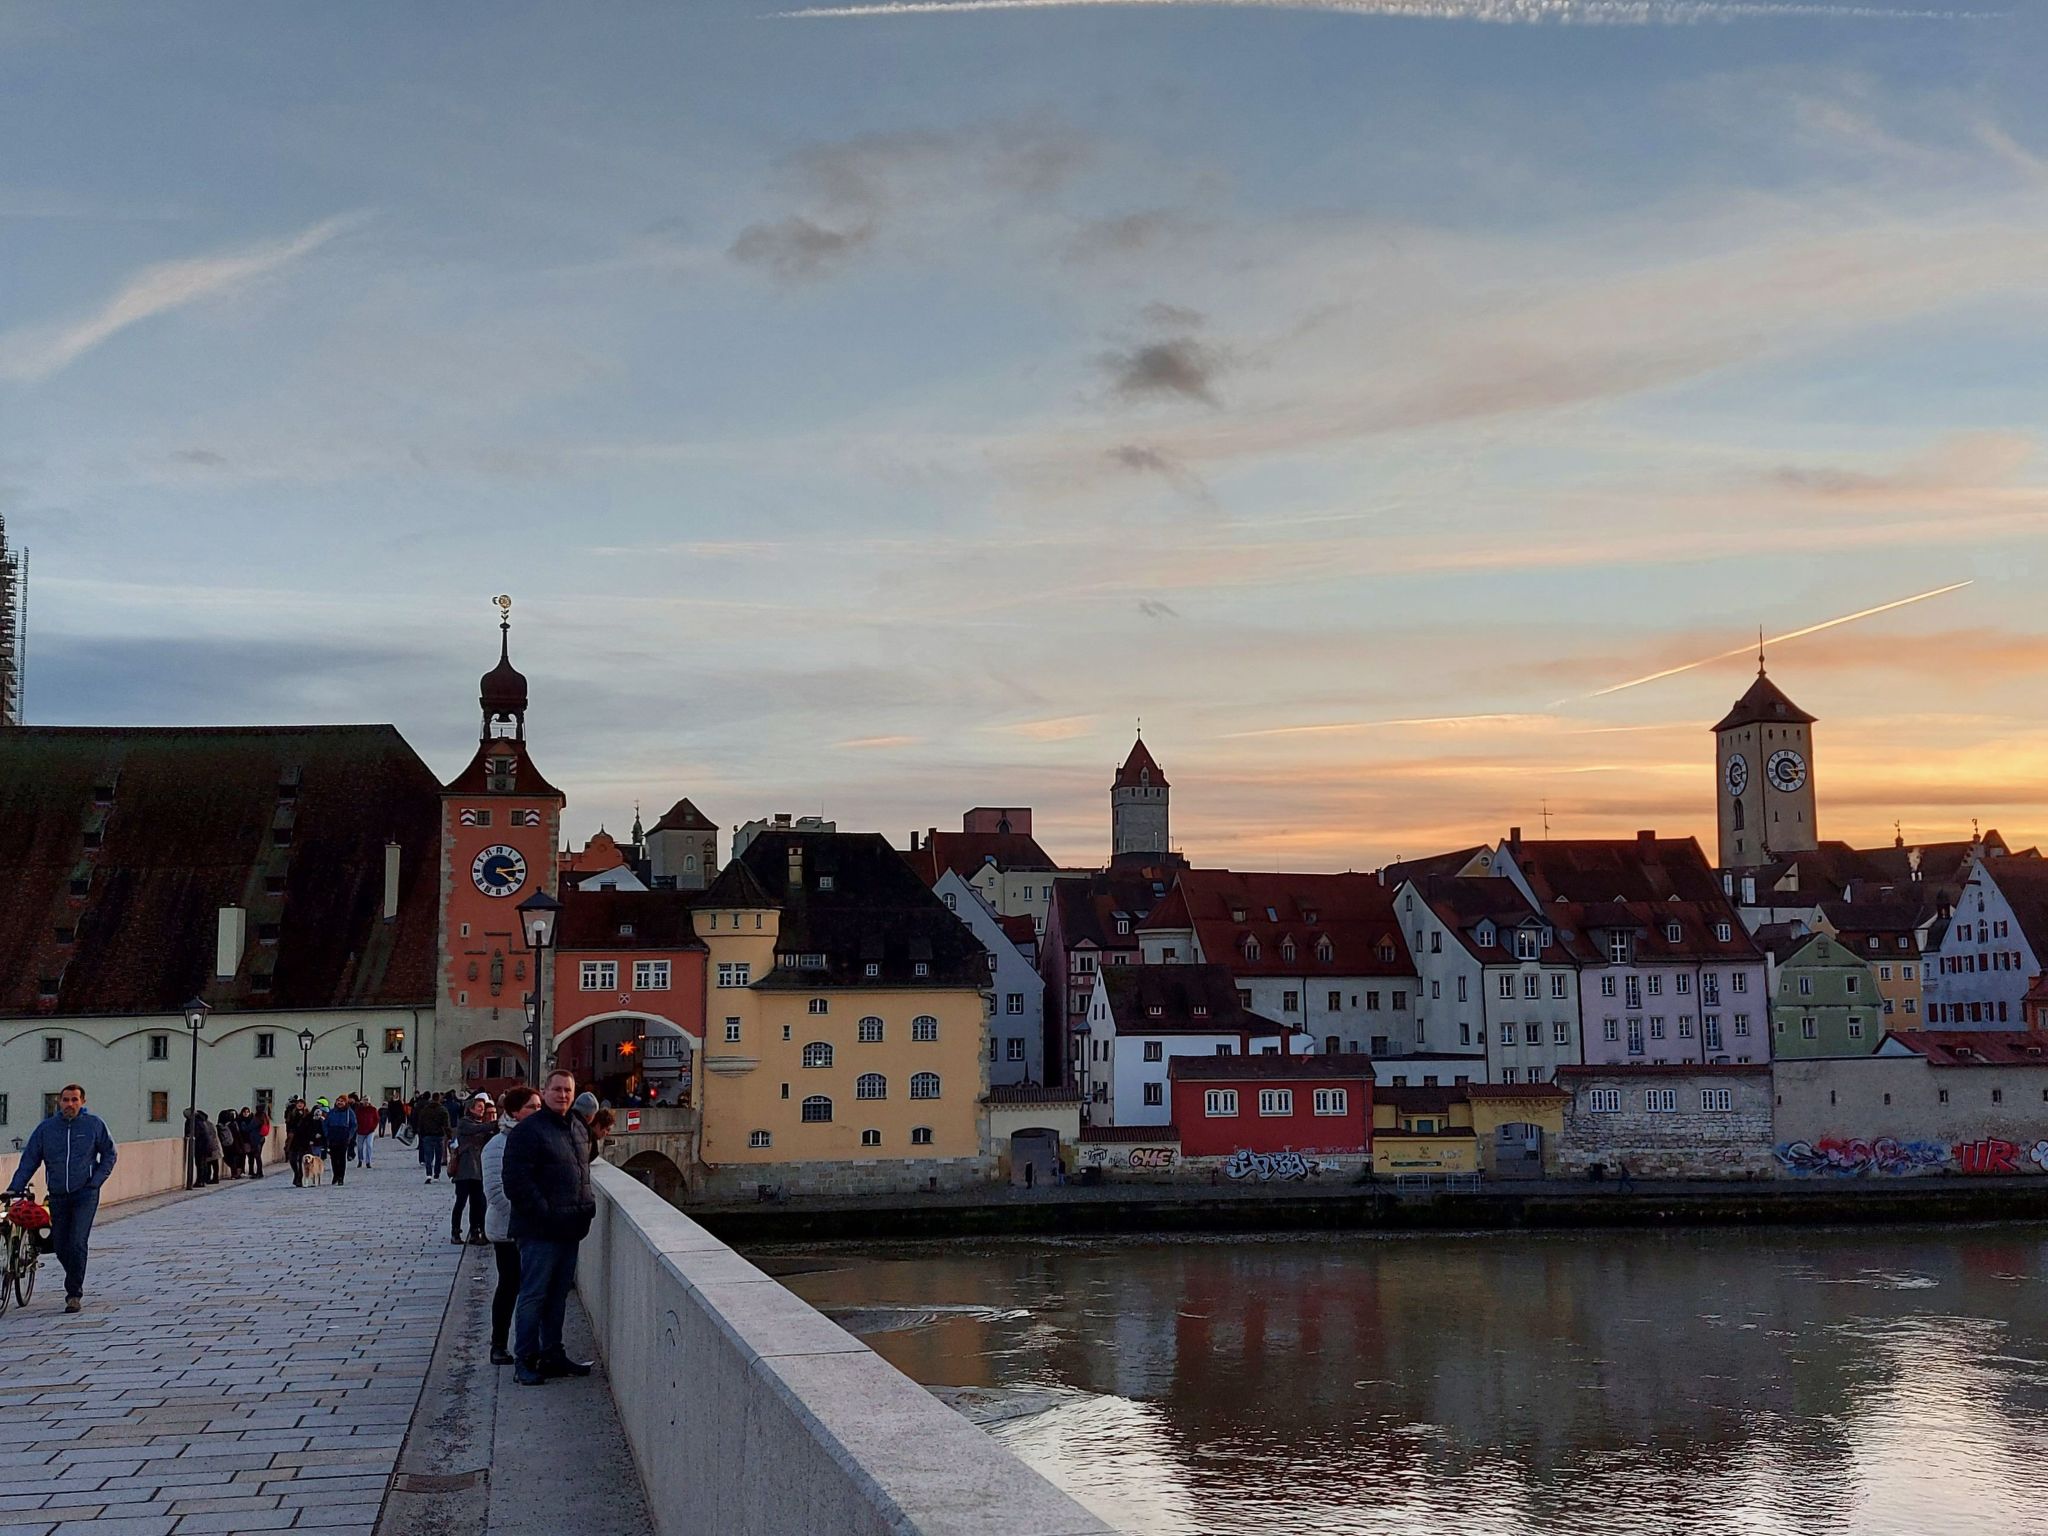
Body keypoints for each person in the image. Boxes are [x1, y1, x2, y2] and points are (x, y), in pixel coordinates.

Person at [501, 1069, 597, 1387]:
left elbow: (581, 1167)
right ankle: (525, 1360)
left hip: (570, 1227)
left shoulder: (578, 1126)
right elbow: (516, 1182)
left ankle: (552, 1354)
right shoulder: (528, 1131)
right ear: (544, 1092)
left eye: (568, 1090)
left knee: (557, 1297)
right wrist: (545, 1213)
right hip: (539, 1230)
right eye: (556, 1090)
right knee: (533, 1296)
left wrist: (586, 1207)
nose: (563, 1095)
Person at [5, 1084, 118, 1313]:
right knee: (60, 1244)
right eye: (66, 1100)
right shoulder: (47, 1129)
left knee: (77, 1241)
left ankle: (73, 1293)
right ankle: (74, 1274)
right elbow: (30, 1160)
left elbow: (110, 1153)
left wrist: (95, 1181)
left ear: (82, 1102)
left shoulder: (93, 1125)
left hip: (85, 1193)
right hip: (57, 1194)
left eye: (74, 1100)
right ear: (59, 1102)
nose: (70, 1104)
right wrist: (14, 1188)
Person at [482, 1084, 541, 1365]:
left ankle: (530, 1343)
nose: (538, 1111)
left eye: (540, 1107)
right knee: (509, 1286)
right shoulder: (497, 1145)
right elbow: (495, 1192)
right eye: (532, 1107)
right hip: (508, 1230)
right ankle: (498, 1344)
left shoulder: (541, 1137)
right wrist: (527, 1215)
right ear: (515, 1112)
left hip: (537, 1227)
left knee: (534, 1288)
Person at [449, 1093, 495, 1245]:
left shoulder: (482, 1124)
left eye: (483, 1108)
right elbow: (478, 1129)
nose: (482, 1110)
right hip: (464, 1170)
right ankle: (455, 1232)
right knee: (461, 1202)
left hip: (478, 1171)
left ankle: (476, 1231)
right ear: (471, 1109)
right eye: (479, 1107)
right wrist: (496, 1123)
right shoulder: (465, 1123)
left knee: (478, 1203)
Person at [414, 1091, 451, 1182]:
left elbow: (420, 1123)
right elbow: (446, 1125)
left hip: (427, 1135)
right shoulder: (443, 1110)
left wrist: (421, 1134)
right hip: (439, 1135)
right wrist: (449, 1135)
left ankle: (428, 1174)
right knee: (438, 1156)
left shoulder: (425, 1110)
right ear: (438, 1099)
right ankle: (436, 1175)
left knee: (428, 1156)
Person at [322, 1094, 358, 1187]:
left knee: (341, 1158)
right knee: (333, 1158)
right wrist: (327, 1134)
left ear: (345, 1102)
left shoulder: (349, 1112)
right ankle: (335, 1175)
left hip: (343, 1136)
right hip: (333, 1136)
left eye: (342, 1101)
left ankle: (341, 1177)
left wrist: (349, 1136)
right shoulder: (332, 1112)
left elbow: (354, 1125)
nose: (340, 1103)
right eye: (338, 1101)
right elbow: (325, 1123)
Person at [354, 1095, 379, 1168]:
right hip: (360, 1131)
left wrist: (373, 1127)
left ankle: (368, 1162)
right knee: (360, 1147)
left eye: (367, 1100)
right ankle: (360, 1160)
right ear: (362, 1101)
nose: (366, 1101)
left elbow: (376, 1119)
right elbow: (355, 1119)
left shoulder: (373, 1109)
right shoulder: (359, 1110)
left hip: (370, 1131)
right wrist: (357, 1127)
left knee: (369, 1145)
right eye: (364, 1100)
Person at [243, 1105, 268, 1178]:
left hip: (256, 1139)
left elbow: (249, 1127)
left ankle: (259, 1172)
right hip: (261, 1138)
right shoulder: (265, 1116)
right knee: (258, 1156)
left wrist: (244, 1125)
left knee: (257, 1156)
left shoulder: (258, 1117)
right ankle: (259, 1172)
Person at [219, 1109, 244, 1179]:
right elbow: (238, 1135)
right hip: (234, 1145)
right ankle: (236, 1172)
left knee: (232, 1159)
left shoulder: (224, 1125)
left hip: (230, 1145)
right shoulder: (233, 1124)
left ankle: (235, 1173)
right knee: (233, 1159)